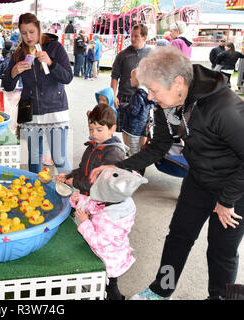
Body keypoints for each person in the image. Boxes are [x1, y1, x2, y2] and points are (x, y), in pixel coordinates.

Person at [90, 46, 244, 300]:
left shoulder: (224, 108)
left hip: (235, 187)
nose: (150, 97)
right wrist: (118, 166)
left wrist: (226, 200)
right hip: (199, 178)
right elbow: (159, 145)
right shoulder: (168, 104)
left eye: (153, 91)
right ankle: (162, 290)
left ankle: (220, 297)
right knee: (178, 237)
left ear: (178, 83)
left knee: (222, 250)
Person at [2, 12, 73, 174]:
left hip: (55, 109)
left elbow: (68, 77)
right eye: (24, 33)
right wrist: (13, 71)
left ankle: (70, 195)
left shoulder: (54, 47)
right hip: (30, 111)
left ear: (39, 29)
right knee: (34, 158)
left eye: (32, 32)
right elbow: (7, 85)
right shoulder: (19, 53)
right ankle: (35, 194)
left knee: (59, 158)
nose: (28, 37)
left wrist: (51, 62)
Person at [70, 166, 148, 300]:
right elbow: (96, 205)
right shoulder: (119, 201)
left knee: (110, 287)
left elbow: (98, 241)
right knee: (108, 285)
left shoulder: (111, 220)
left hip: (109, 258)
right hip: (115, 249)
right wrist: (81, 200)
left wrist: (85, 223)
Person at [56, 103, 126, 195]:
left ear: (112, 129)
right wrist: (68, 176)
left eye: (99, 130)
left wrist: (75, 182)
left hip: (102, 204)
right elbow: (82, 169)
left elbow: (101, 182)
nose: (94, 134)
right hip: (87, 198)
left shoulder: (114, 153)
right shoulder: (92, 146)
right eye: (91, 129)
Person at [111, 23, 151, 134]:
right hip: (125, 97)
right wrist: (113, 95)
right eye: (131, 35)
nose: (132, 39)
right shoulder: (122, 55)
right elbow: (114, 77)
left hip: (145, 97)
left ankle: (140, 151)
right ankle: (129, 151)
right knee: (126, 129)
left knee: (143, 130)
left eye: (136, 36)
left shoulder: (152, 54)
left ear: (144, 37)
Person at [121, 69, 155, 156]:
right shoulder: (148, 94)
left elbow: (133, 111)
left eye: (131, 77)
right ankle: (139, 167)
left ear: (137, 79)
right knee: (139, 149)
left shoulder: (137, 95)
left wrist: (123, 106)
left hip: (133, 128)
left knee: (133, 150)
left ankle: (133, 167)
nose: (130, 79)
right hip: (142, 127)